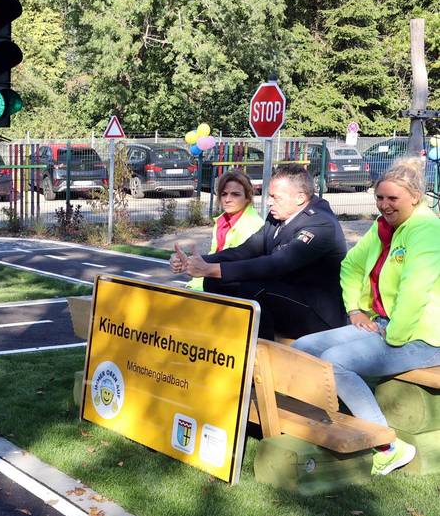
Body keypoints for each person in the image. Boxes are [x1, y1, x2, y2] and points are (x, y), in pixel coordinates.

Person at [291, 159, 440, 476]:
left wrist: (393, 337)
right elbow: (352, 266)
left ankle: (387, 445)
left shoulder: (426, 229)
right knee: (304, 347)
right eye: (380, 198)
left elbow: (416, 288)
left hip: (423, 336)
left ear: (414, 197)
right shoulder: (384, 226)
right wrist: (355, 310)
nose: (384, 206)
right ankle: (329, 424)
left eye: (392, 199)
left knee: (335, 362)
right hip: (386, 324)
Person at [170, 164, 347, 339]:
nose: (269, 202)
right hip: (287, 296)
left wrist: (212, 269)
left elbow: (278, 264)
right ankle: (225, 340)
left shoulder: (321, 224)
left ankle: (258, 355)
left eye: (275, 197)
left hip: (317, 314)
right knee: (215, 282)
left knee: (254, 289)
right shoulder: (280, 213)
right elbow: (247, 250)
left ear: (300, 197)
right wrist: (199, 262)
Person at [186, 171, 264, 291]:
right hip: (212, 283)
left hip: (234, 290)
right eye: (224, 194)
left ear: (248, 197)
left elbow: (239, 267)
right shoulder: (222, 221)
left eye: (235, 194)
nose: (228, 199)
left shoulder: (254, 225)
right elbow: (214, 256)